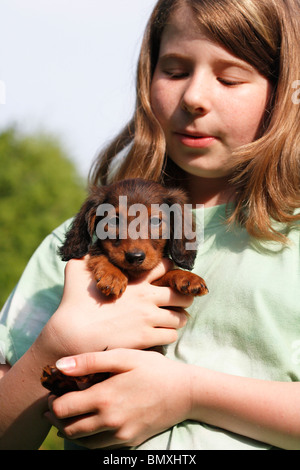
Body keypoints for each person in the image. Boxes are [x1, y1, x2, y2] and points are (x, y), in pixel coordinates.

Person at [0, 0, 300, 450]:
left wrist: (191, 394)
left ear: (283, 91)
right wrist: (55, 344)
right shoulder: (78, 243)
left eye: (230, 77)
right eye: (175, 71)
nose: (195, 97)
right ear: (147, 79)